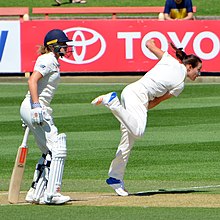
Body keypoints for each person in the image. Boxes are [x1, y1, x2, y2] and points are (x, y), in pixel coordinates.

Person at [91, 39, 202, 196]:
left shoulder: (168, 59)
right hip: (138, 96)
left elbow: (149, 44)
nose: (199, 74)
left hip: (131, 91)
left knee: (127, 141)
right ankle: (112, 102)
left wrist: (158, 41)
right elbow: (156, 101)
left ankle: (115, 178)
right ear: (189, 66)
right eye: (198, 70)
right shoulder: (180, 85)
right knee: (138, 131)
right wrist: (140, 110)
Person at [20, 29, 73, 204]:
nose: (66, 47)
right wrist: (35, 107)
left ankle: (36, 192)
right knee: (58, 147)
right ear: (53, 46)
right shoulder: (47, 59)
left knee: (48, 151)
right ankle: (52, 193)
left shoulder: (53, 61)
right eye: (63, 44)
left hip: (34, 107)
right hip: (35, 106)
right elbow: (32, 80)